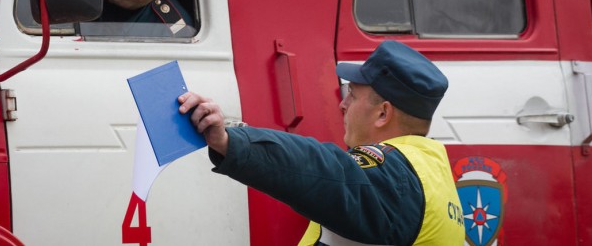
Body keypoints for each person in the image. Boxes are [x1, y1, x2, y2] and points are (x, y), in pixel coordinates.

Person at [178, 40, 465, 245]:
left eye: (352, 94)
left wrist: (228, 140)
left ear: (383, 113)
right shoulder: (429, 172)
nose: (343, 104)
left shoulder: (392, 179)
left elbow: (318, 167)